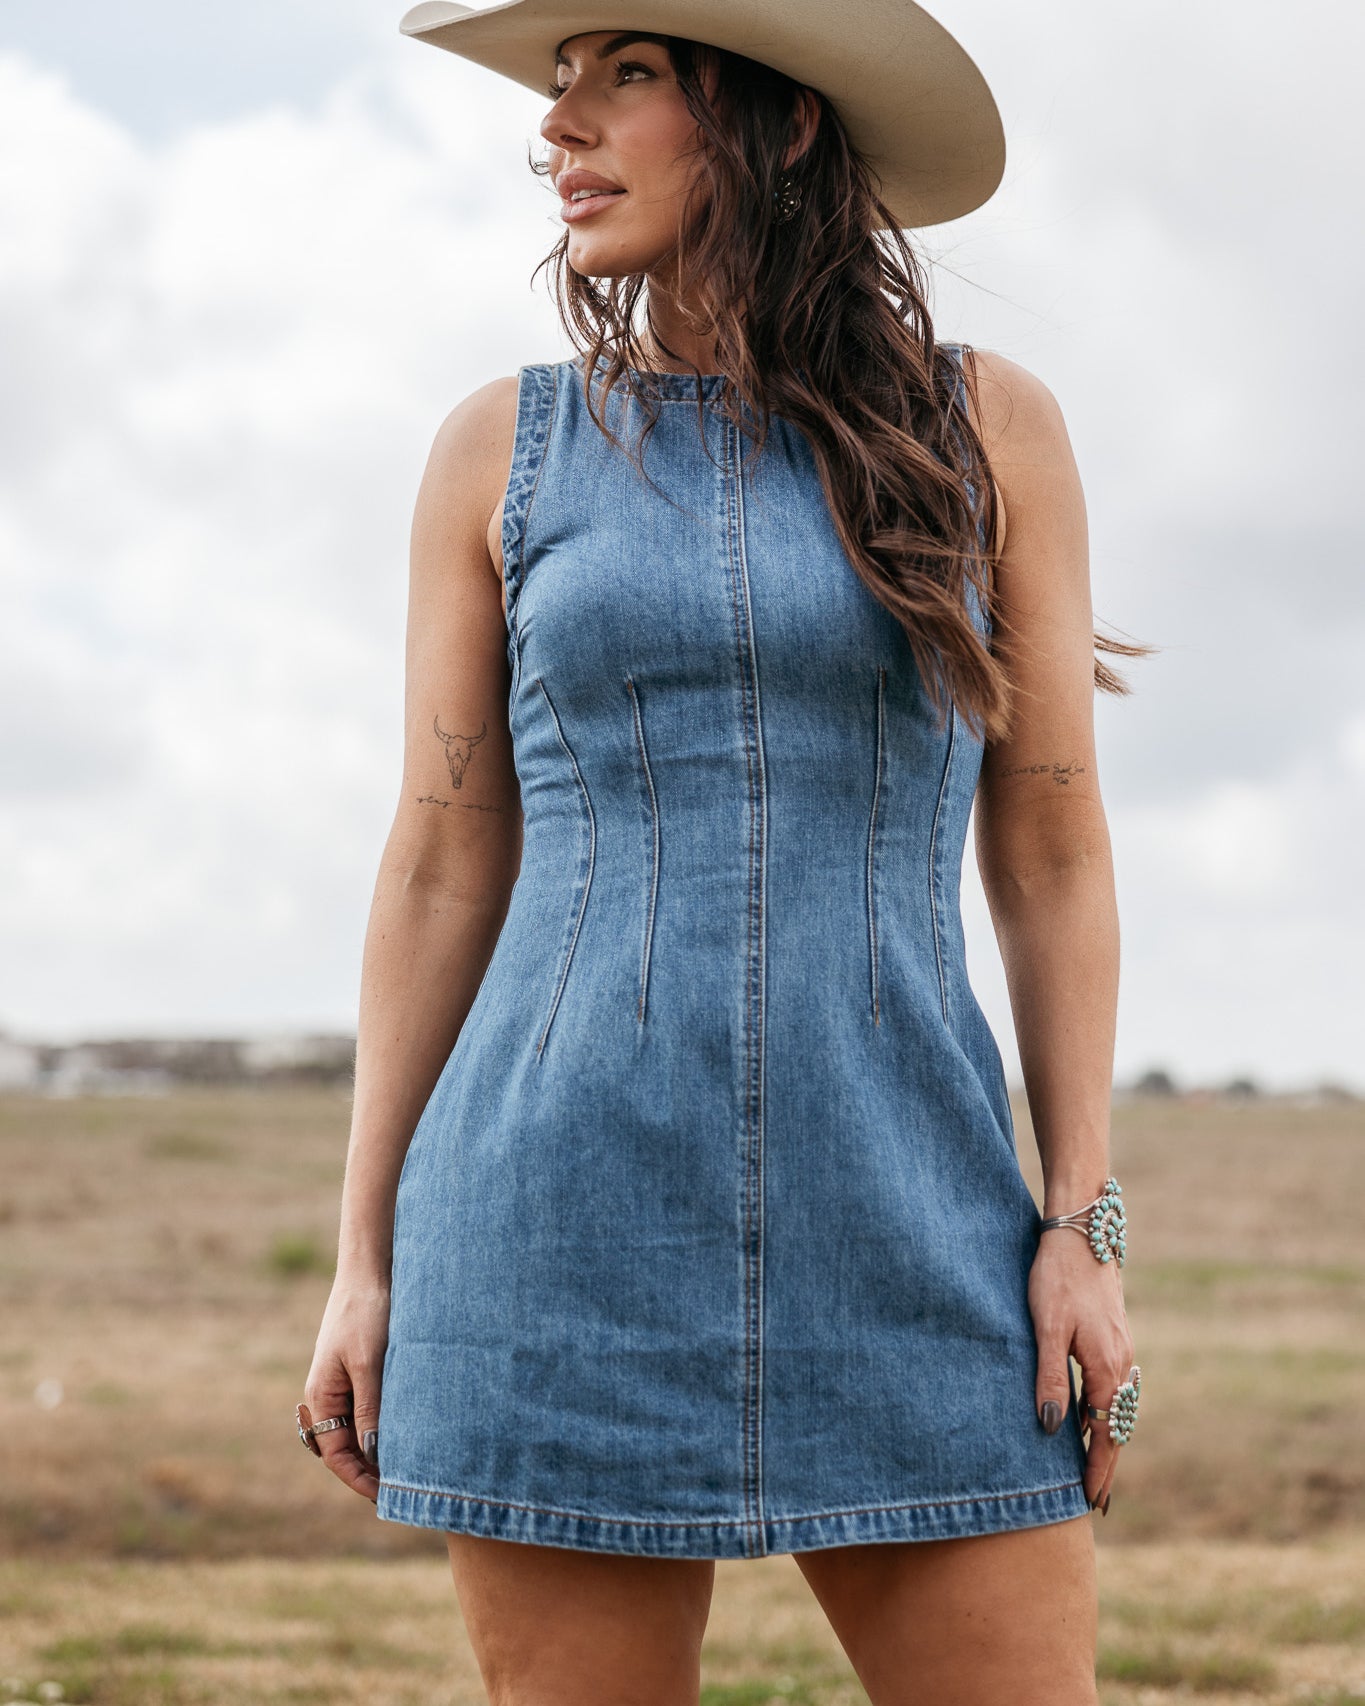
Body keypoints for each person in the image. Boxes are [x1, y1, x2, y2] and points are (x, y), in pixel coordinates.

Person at [298, 3, 1149, 1701]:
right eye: (558, 87)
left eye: (625, 78)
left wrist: (1082, 1220)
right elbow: (443, 859)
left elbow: (1048, 850)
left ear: (786, 126)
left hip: (911, 1215)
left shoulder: (988, 429)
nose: (559, 129)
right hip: (548, 1228)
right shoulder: (499, 448)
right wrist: (361, 1252)